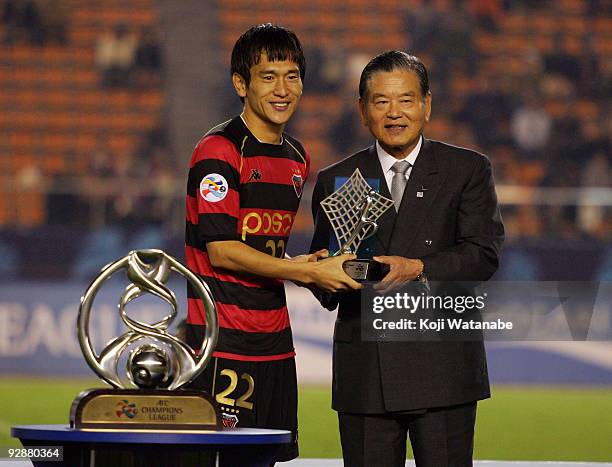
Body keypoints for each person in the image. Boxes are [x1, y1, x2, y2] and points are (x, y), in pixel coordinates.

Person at [310, 51, 504, 466]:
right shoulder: (335, 179)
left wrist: (417, 268)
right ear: (362, 110)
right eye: (381, 101)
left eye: (406, 100)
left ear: (426, 105)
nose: (394, 113)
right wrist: (316, 274)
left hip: (443, 371)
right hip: (366, 375)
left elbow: (483, 256)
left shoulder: (466, 169)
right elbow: (329, 287)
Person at [184, 23, 359, 465]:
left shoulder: (297, 156)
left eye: (293, 75)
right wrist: (304, 271)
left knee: (265, 459)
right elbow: (222, 249)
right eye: (268, 77)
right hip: (219, 341)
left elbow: (269, 249)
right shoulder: (219, 151)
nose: (283, 89)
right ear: (240, 84)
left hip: (275, 342)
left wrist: (315, 264)